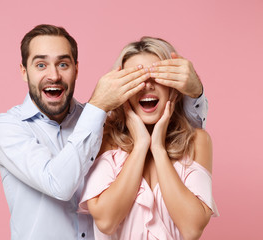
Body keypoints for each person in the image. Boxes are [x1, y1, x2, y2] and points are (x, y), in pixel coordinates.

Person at [0, 24, 208, 240]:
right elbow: (59, 184)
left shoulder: (105, 125)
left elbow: (184, 130)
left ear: (76, 69)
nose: (54, 75)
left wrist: (194, 91)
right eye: (40, 65)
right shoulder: (7, 128)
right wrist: (99, 106)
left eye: (63, 64)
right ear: (24, 72)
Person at [79, 37, 219, 240]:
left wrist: (159, 149)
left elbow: (192, 228)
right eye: (136, 79)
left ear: (174, 88)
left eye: (157, 77)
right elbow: (106, 222)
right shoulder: (106, 138)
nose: (147, 86)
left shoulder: (197, 141)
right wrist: (141, 146)